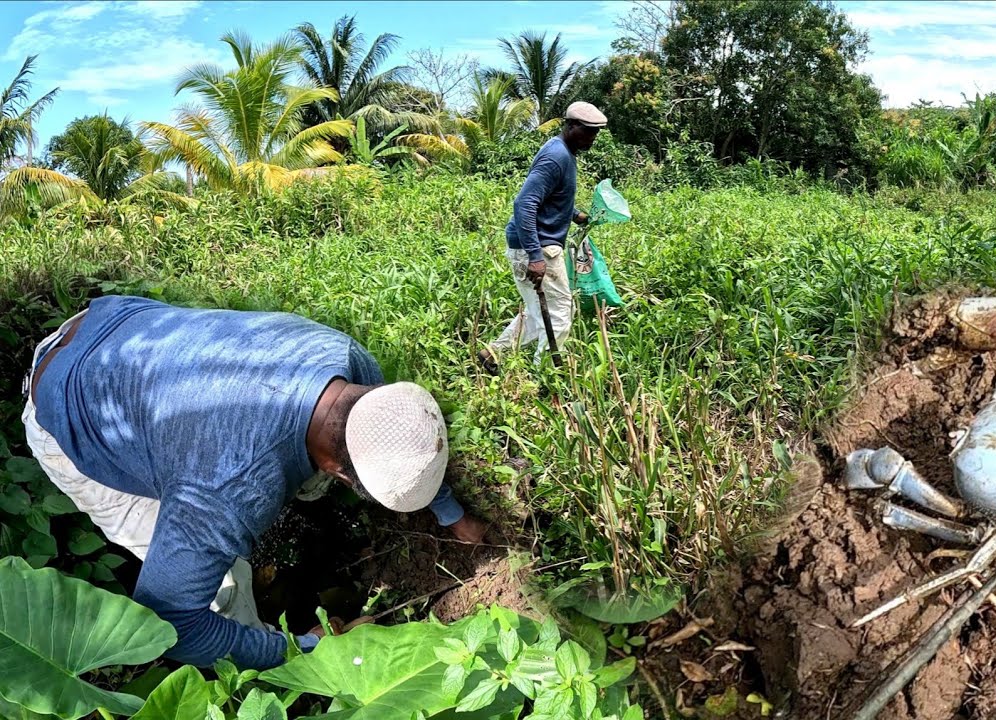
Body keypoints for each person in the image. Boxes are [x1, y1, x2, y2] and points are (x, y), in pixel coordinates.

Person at [21, 294, 487, 670]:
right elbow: (173, 624)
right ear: (339, 469)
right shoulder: (224, 490)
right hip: (69, 405)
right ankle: (267, 669)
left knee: (236, 496)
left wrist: (452, 513)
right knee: (227, 585)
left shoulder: (345, 359)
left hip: (121, 327)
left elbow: (402, 433)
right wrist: (307, 649)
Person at [478, 101, 608, 373]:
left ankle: (493, 354)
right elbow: (524, 204)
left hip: (532, 245)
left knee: (537, 310)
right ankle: (546, 377)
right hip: (538, 247)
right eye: (588, 131)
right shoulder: (556, 156)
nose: (592, 138)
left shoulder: (563, 152)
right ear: (571, 126)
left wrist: (574, 214)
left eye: (596, 132)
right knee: (561, 314)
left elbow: (549, 196)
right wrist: (535, 256)